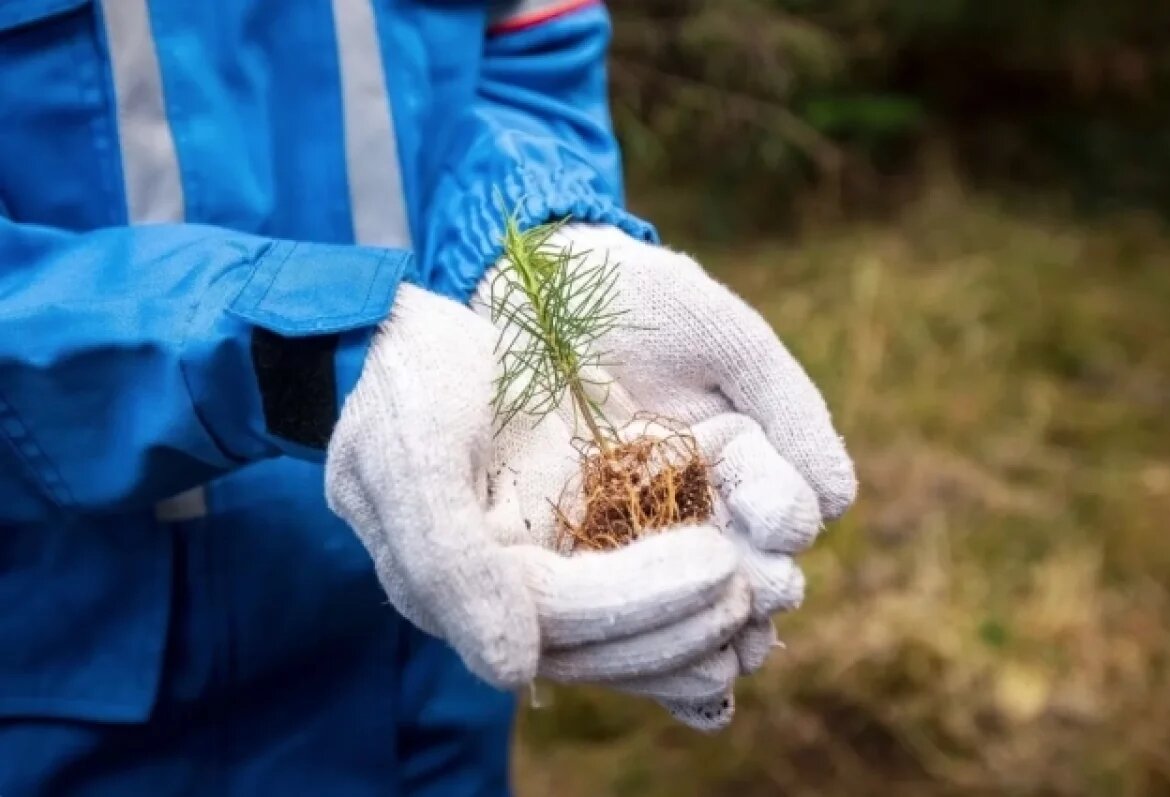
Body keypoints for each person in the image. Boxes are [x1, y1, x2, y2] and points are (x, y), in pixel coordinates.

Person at [0, 0, 855, 793]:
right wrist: (303, 354)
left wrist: (532, 232)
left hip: (445, 647)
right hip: (82, 697)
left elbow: (527, 50)